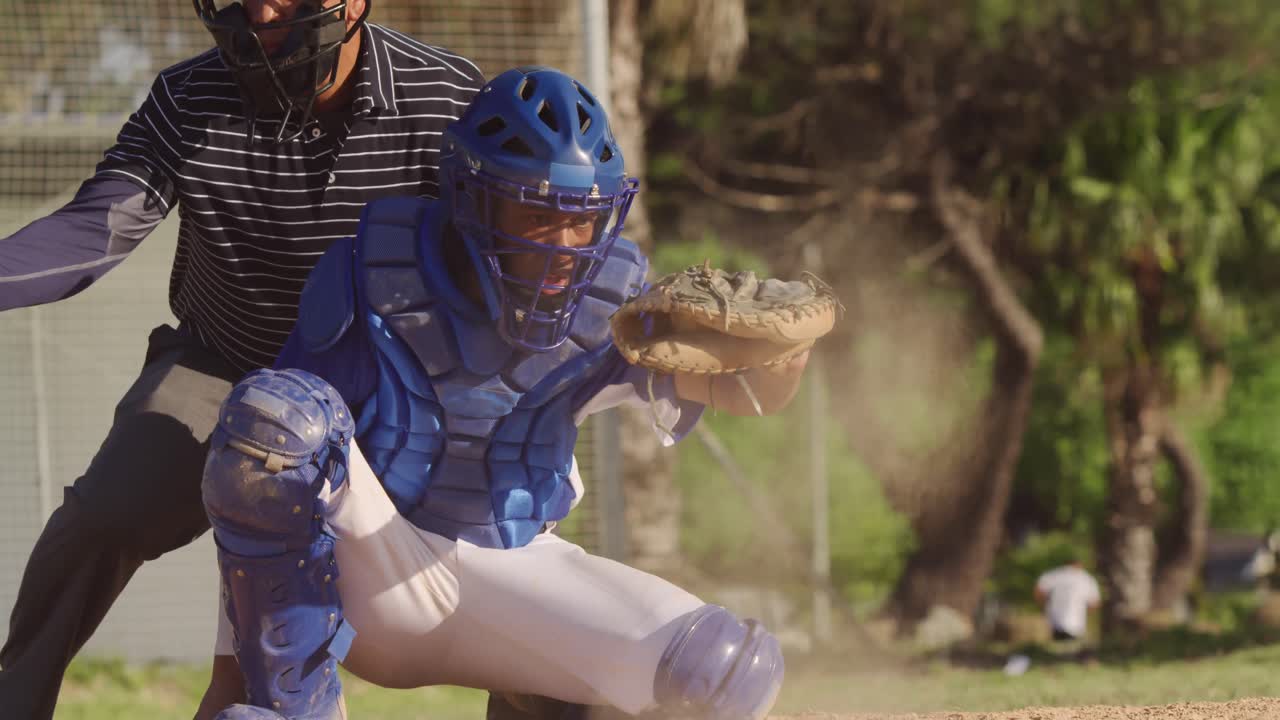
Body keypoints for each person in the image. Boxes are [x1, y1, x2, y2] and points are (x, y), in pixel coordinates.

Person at [199, 66, 802, 720]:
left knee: (725, 672)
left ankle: (543, 701)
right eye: (537, 213)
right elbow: (259, 467)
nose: (565, 248)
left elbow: (741, 395)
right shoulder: (374, 277)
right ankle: (293, 709)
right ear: (469, 196)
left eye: (582, 219)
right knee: (279, 423)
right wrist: (230, 675)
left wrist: (776, 359)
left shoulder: (612, 301)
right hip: (375, 574)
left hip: (513, 570)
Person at [0, 3, 483, 718]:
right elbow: (94, 232)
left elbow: (511, 250)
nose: (257, 12)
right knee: (105, 514)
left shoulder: (445, 97)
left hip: (390, 387)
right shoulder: (187, 98)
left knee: (515, 551)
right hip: (224, 365)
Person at [1034, 558, 1101, 645]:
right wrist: (1086, 612)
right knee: (1072, 646)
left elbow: (1039, 591)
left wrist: (1044, 606)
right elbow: (1095, 602)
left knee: (1058, 645)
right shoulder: (1086, 578)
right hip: (1076, 622)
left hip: (1055, 620)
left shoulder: (1054, 575)